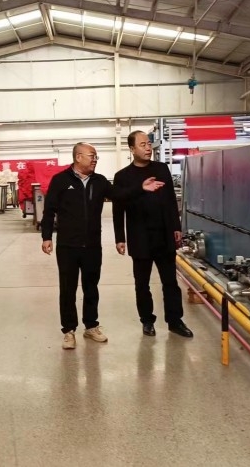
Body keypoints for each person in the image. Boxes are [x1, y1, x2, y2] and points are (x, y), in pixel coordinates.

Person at [41, 142, 164, 350]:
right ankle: (69, 331)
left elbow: (119, 195)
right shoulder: (61, 180)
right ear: (78, 157)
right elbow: (49, 210)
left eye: (96, 156)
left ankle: (91, 326)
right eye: (92, 156)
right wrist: (46, 237)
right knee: (67, 289)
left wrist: (141, 188)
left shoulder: (99, 181)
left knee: (91, 287)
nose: (95, 160)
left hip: (92, 245)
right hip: (67, 246)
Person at [113, 131, 193, 338]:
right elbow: (118, 208)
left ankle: (175, 321)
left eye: (149, 144)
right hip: (139, 237)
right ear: (132, 149)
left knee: (170, 282)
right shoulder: (122, 177)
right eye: (142, 145)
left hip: (163, 235)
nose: (148, 148)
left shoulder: (161, 169)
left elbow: (170, 200)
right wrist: (120, 237)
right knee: (142, 284)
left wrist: (176, 227)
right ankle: (147, 320)